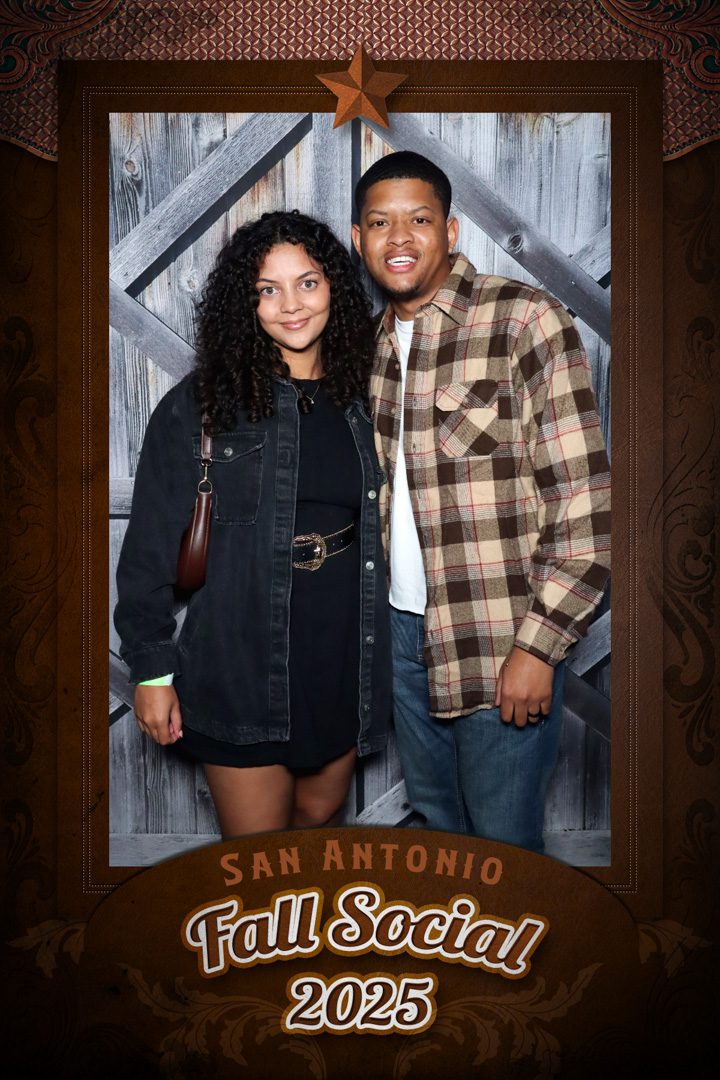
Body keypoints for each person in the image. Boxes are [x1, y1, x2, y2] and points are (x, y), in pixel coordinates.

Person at [351, 151, 611, 852]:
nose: (399, 238)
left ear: (451, 230)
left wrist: (538, 648)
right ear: (358, 237)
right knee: (441, 844)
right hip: (403, 637)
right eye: (379, 222)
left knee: (505, 850)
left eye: (419, 219)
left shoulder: (523, 319)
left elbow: (583, 503)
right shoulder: (371, 348)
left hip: (500, 637)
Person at [114, 210, 391, 839]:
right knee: (258, 859)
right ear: (247, 303)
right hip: (239, 660)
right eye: (268, 289)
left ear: (334, 289)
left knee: (317, 827)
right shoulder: (202, 404)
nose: (291, 305)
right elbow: (149, 549)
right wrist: (152, 671)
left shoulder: (364, 399)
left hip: (343, 654)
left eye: (307, 283)